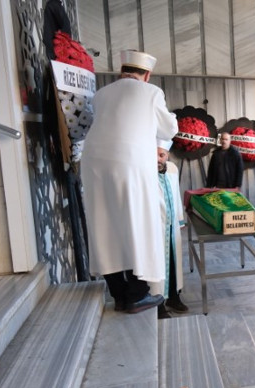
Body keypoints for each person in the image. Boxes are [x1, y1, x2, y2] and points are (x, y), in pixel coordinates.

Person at [81, 50, 177, 313]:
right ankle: (137, 294)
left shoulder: (101, 94)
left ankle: (120, 294)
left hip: (94, 162)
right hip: (130, 163)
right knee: (137, 221)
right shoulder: (152, 92)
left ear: (121, 71)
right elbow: (169, 129)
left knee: (105, 223)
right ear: (147, 75)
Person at [152, 142, 188, 318]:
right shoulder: (145, 170)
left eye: (162, 155)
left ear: (167, 155)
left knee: (174, 263)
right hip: (155, 227)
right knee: (157, 266)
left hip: (172, 226)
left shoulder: (172, 169)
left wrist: (180, 220)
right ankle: (158, 304)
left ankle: (174, 297)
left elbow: (175, 192)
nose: (158, 159)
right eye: (155, 154)